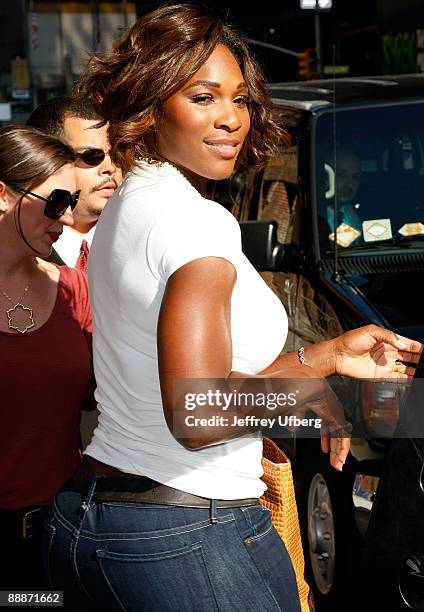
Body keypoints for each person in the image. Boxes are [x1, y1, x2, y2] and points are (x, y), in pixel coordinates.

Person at [44, 5, 422, 611]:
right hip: (185, 539)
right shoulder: (197, 222)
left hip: (99, 522)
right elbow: (198, 411)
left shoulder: (130, 204)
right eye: (203, 97)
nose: (231, 119)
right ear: (149, 108)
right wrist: (308, 398)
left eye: (241, 99)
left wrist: (324, 358)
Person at [0, 124, 94, 590]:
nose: (66, 217)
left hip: (60, 531)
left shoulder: (75, 289)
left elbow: (118, 397)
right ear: (2, 195)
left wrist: (287, 389)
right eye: (56, 200)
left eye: (71, 203)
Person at [26, 95, 122, 270]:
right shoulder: (16, 250)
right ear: (45, 161)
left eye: (117, 154)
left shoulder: (145, 237)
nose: (110, 167)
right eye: (91, 156)